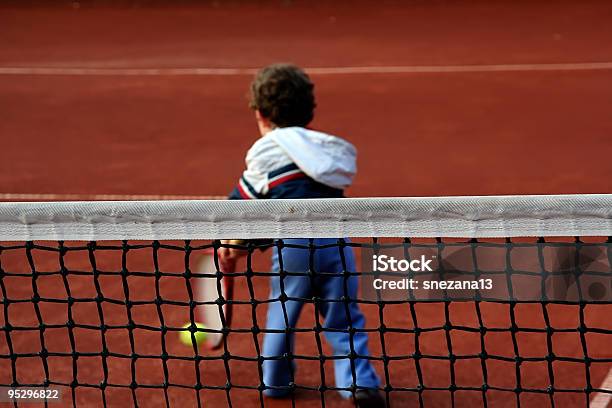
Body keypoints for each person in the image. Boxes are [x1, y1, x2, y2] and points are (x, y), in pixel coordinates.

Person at [219, 63, 384, 408]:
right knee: (345, 319)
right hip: (336, 245)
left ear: (261, 114)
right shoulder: (328, 152)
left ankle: (276, 383)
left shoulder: (266, 153)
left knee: (282, 316)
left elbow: (246, 208)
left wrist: (234, 243)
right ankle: (360, 384)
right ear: (309, 113)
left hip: (293, 250)